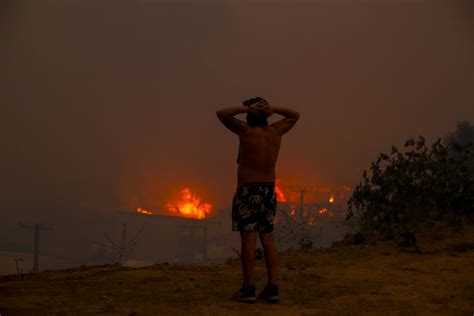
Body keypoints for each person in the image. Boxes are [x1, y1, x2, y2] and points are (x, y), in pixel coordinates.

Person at [216, 97, 300, 303]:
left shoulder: (245, 131)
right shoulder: (276, 132)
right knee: (268, 237)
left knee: (249, 238)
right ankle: (272, 288)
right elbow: (294, 115)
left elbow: (222, 114)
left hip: (248, 191)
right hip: (268, 190)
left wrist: (247, 108)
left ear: (249, 115)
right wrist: (274, 108)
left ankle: (248, 288)